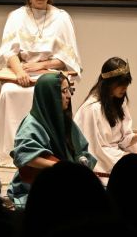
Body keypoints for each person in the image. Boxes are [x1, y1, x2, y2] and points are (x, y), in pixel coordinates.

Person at [0, 0, 82, 164]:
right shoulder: (17, 16)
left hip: (50, 72)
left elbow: (67, 59)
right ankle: (14, 150)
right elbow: (9, 52)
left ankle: (48, 149)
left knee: (49, 93)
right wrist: (20, 72)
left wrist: (40, 65)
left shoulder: (61, 17)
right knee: (9, 92)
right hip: (21, 72)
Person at [6, 71, 97, 209]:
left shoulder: (63, 119)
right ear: (49, 95)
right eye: (63, 91)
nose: (68, 96)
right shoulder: (31, 124)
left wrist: (81, 161)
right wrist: (58, 166)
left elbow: (80, 149)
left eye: (70, 90)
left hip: (63, 178)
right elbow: (23, 156)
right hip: (39, 183)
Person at [72, 57, 137, 174]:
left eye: (126, 84)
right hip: (103, 161)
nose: (124, 88)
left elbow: (122, 141)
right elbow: (95, 151)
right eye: (120, 84)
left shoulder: (119, 102)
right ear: (108, 83)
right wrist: (126, 156)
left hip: (114, 155)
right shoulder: (92, 109)